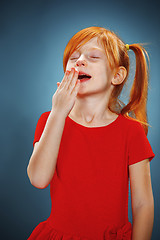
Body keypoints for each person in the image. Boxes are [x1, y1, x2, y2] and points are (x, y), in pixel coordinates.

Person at [27, 26, 155, 240]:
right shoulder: (49, 120)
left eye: (94, 56)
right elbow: (38, 179)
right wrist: (58, 113)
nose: (79, 61)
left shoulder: (131, 131)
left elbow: (143, 204)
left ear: (117, 75)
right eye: (73, 57)